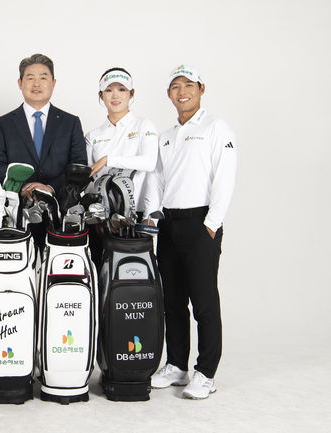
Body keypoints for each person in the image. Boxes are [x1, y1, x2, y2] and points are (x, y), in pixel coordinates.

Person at [145, 65, 237, 399]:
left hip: (201, 223)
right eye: (175, 86)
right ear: (168, 94)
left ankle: (206, 373)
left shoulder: (216, 127)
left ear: (201, 89)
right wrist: (153, 217)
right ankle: (177, 365)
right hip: (169, 224)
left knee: (204, 301)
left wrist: (212, 224)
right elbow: (157, 179)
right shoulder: (166, 136)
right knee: (172, 301)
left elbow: (225, 176)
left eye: (188, 85)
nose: (182, 91)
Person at [0, 53, 87, 245]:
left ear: (53, 83)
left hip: (61, 213)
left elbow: (78, 165)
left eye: (43, 77)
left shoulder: (70, 122)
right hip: (16, 214)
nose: (37, 84)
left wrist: (49, 188)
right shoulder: (3, 124)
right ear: (20, 83)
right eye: (30, 78)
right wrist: (23, 187)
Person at [84, 67, 158, 267]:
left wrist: (108, 160)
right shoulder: (93, 135)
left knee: (134, 275)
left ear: (131, 93)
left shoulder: (145, 126)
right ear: (101, 95)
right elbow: (89, 182)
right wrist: (96, 216)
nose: (115, 95)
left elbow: (150, 164)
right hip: (102, 218)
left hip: (138, 216)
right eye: (109, 90)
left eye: (121, 89)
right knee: (102, 274)